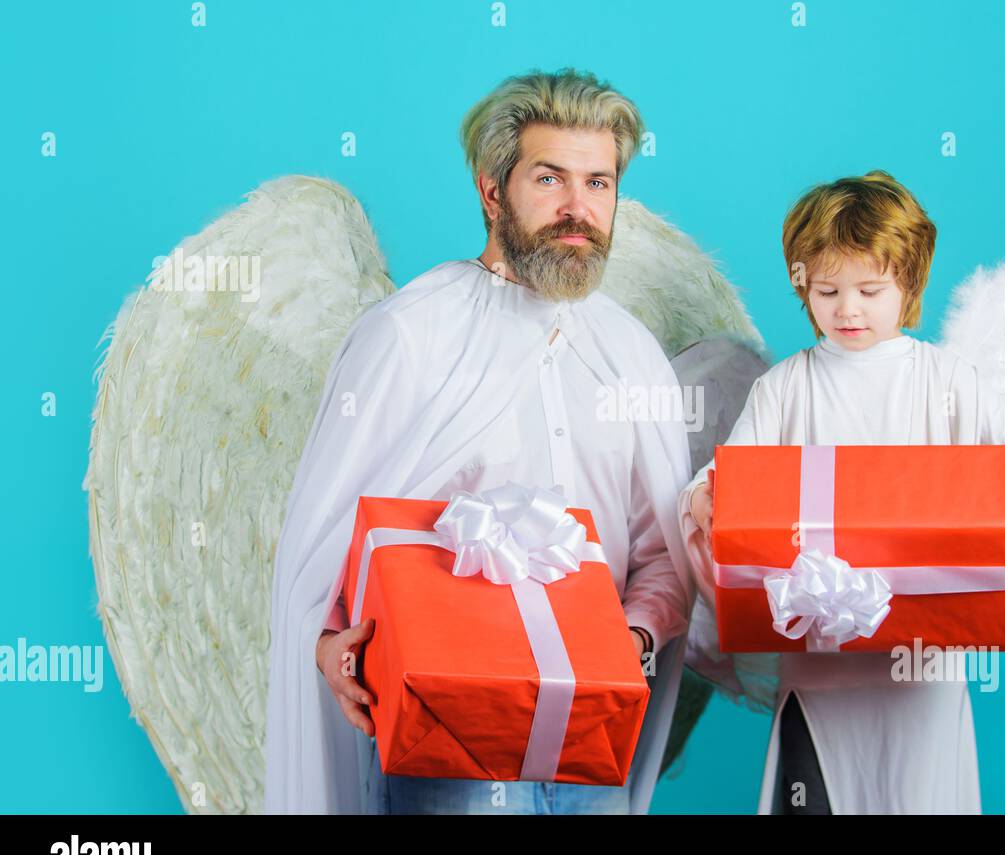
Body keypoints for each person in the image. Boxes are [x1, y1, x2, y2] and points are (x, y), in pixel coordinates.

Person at [264, 68, 695, 814]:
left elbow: (665, 551)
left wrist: (636, 637)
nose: (577, 208)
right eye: (550, 178)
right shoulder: (408, 337)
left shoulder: (631, 355)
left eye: (599, 184)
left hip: (589, 748)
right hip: (448, 744)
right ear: (492, 190)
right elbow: (325, 540)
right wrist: (328, 641)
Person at [679, 172, 1005, 814]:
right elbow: (729, 479)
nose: (848, 310)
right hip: (819, 670)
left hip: (922, 675)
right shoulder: (785, 388)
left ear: (908, 285)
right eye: (828, 290)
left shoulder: (945, 379)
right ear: (803, 284)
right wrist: (705, 497)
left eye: (870, 289)